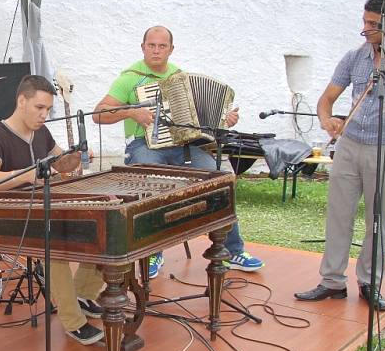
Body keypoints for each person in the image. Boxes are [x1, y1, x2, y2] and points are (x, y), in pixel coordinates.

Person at [92, 25, 264, 277]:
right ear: (143, 47)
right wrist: (131, 111)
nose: (156, 50)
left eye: (162, 46)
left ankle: (232, 249)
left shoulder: (181, 77)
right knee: (150, 185)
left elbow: (196, 122)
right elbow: (99, 114)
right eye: (151, 45)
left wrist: (223, 119)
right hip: (144, 144)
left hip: (182, 146)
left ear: (171, 49)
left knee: (220, 180)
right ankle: (151, 253)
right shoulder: (129, 78)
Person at [295, 0, 385, 312]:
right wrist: (327, 120)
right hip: (350, 143)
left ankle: (370, 281)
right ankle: (332, 281)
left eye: (374, 24)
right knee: (338, 214)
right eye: (364, 22)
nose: (366, 29)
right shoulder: (354, 57)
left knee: (378, 218)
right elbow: (326, 99)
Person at [0, 75, 106, 345]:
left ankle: (82, 292)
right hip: (15, 213)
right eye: (39, 108)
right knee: (53, 246)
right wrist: (25, 175)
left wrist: (77, 156)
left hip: (45, 205)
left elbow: (61, 165)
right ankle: (73, 321)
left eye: (48, 110)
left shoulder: (41, 132)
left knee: (103, 224)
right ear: (21, 101)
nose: (44, 115)